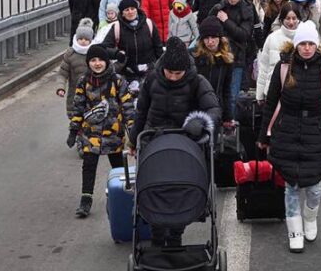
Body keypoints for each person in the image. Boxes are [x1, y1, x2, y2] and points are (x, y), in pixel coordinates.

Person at [257, 21, 321, 253]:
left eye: (311, 44)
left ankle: (310, 217)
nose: (307, 48)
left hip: (315, 132)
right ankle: (294, 230)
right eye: (303, 44)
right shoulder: (284, 66)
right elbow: (271, 102)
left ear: (316, 46)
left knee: (314, 185)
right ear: (296, 45)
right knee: (290, 185)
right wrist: (263, 136)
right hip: (287, 130)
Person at [128, 36, 222, 247]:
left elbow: (214, 110)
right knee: (155, 187)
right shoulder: (152, 79)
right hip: (154, 140)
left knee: (181, 189)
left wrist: (199, 121)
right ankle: (157, 235)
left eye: (177, 74)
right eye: (168, 72)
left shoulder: (198, 82)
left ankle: (176, 234)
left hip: (186, 141)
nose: (172, 77)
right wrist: (134, 140)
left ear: (185, 69)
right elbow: (141, 112)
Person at [67, 45, 135, 218]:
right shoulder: (83, 81)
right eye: (93, 60)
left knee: (118, 168)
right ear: (88, 62)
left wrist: (133, 131)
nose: (97, 64)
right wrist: (74, 130)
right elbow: (78, 107)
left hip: (113, 133)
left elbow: (127, 106)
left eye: (100, 60)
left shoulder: (117, 80)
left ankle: (123, 197)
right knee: (89, 165)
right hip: (91, 133)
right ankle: (86, 200)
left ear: (106, 61)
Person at [209, 0, 255, 118]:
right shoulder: (222, 6)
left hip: (237, 57)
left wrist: (226, 21)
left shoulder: (247, 9)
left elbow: (244, 35)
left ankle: (230, 125)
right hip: (218, 56)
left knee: (232, 97)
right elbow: (208, 24)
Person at [102, 0, 164, 84]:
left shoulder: (149, 24)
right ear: (122, 13)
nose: (130, 12)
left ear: (137, 10)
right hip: (127, 73)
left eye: (132, 9)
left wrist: (161, 67)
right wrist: (116, 53)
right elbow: (104, 48)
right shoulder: (117, 27)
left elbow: (158, 47)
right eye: (127, 10)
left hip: (150, 72)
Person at [193, 17, 235, 128]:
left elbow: (226, 90)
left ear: (220, 38)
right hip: (196, 108)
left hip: (216, 109)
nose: (210, 42)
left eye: (213, 37)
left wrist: (228, 116)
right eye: (206, 38)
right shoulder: (195, 57)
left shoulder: (226, 59)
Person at [256, 3, 301, 103]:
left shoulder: (305, 39)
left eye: (294, 18)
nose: (291, 22)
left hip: (297, 93)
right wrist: (259, 94)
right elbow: (264, 67)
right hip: (272, 91)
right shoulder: (272, 38)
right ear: (281, 19)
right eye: (288, 18)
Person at [56, 18, 94, 118]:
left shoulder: (94, 54)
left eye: (86, 39)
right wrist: (61, 87)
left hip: (92, 94)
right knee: (75, 121)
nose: (83, 41)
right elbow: (62, 73)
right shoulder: (70, 54)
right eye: (80, 39)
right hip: (74, 95)